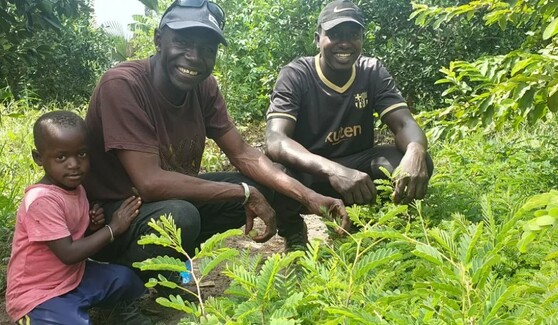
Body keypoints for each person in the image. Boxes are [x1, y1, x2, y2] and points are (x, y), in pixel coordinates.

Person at [84, 0, 348, 280]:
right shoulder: (123, 85)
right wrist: (243, 193)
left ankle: (172, 259)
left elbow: (243, 153)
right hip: (109, 219)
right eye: (183, 42)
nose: (195, 57)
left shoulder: (204, 87)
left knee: (264, 183)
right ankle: (127, 276)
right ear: (159, 40)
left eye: (208, 49)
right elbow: (149, 183)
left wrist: (309, 196)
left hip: (160, 203)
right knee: (182, 214)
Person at [265, 0, 434, 249]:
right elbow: (275, 140)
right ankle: (293, 232)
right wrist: (333, 170)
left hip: (358, 168)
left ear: (361, 39)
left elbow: (402, 123)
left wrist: (416, 150)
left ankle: (376, 225)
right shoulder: (296, 75)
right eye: (334, 34)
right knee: (272, 174)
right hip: (309, 170)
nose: (344, 42)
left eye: (352, 34)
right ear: (317, 38)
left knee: (412, 161)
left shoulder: (372, 71)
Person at [5, 111, 150, 324]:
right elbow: (68, 252)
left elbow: (72, 233)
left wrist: (92, 225)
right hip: (38, 294)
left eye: (81, 154)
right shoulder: (41, 200)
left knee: (125, 279)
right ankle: (34, 318)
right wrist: (112, 228)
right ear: (38, 158)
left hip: (74, 277)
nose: (74, 164)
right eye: (61, 157)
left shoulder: (76, 187)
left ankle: (107, 310)